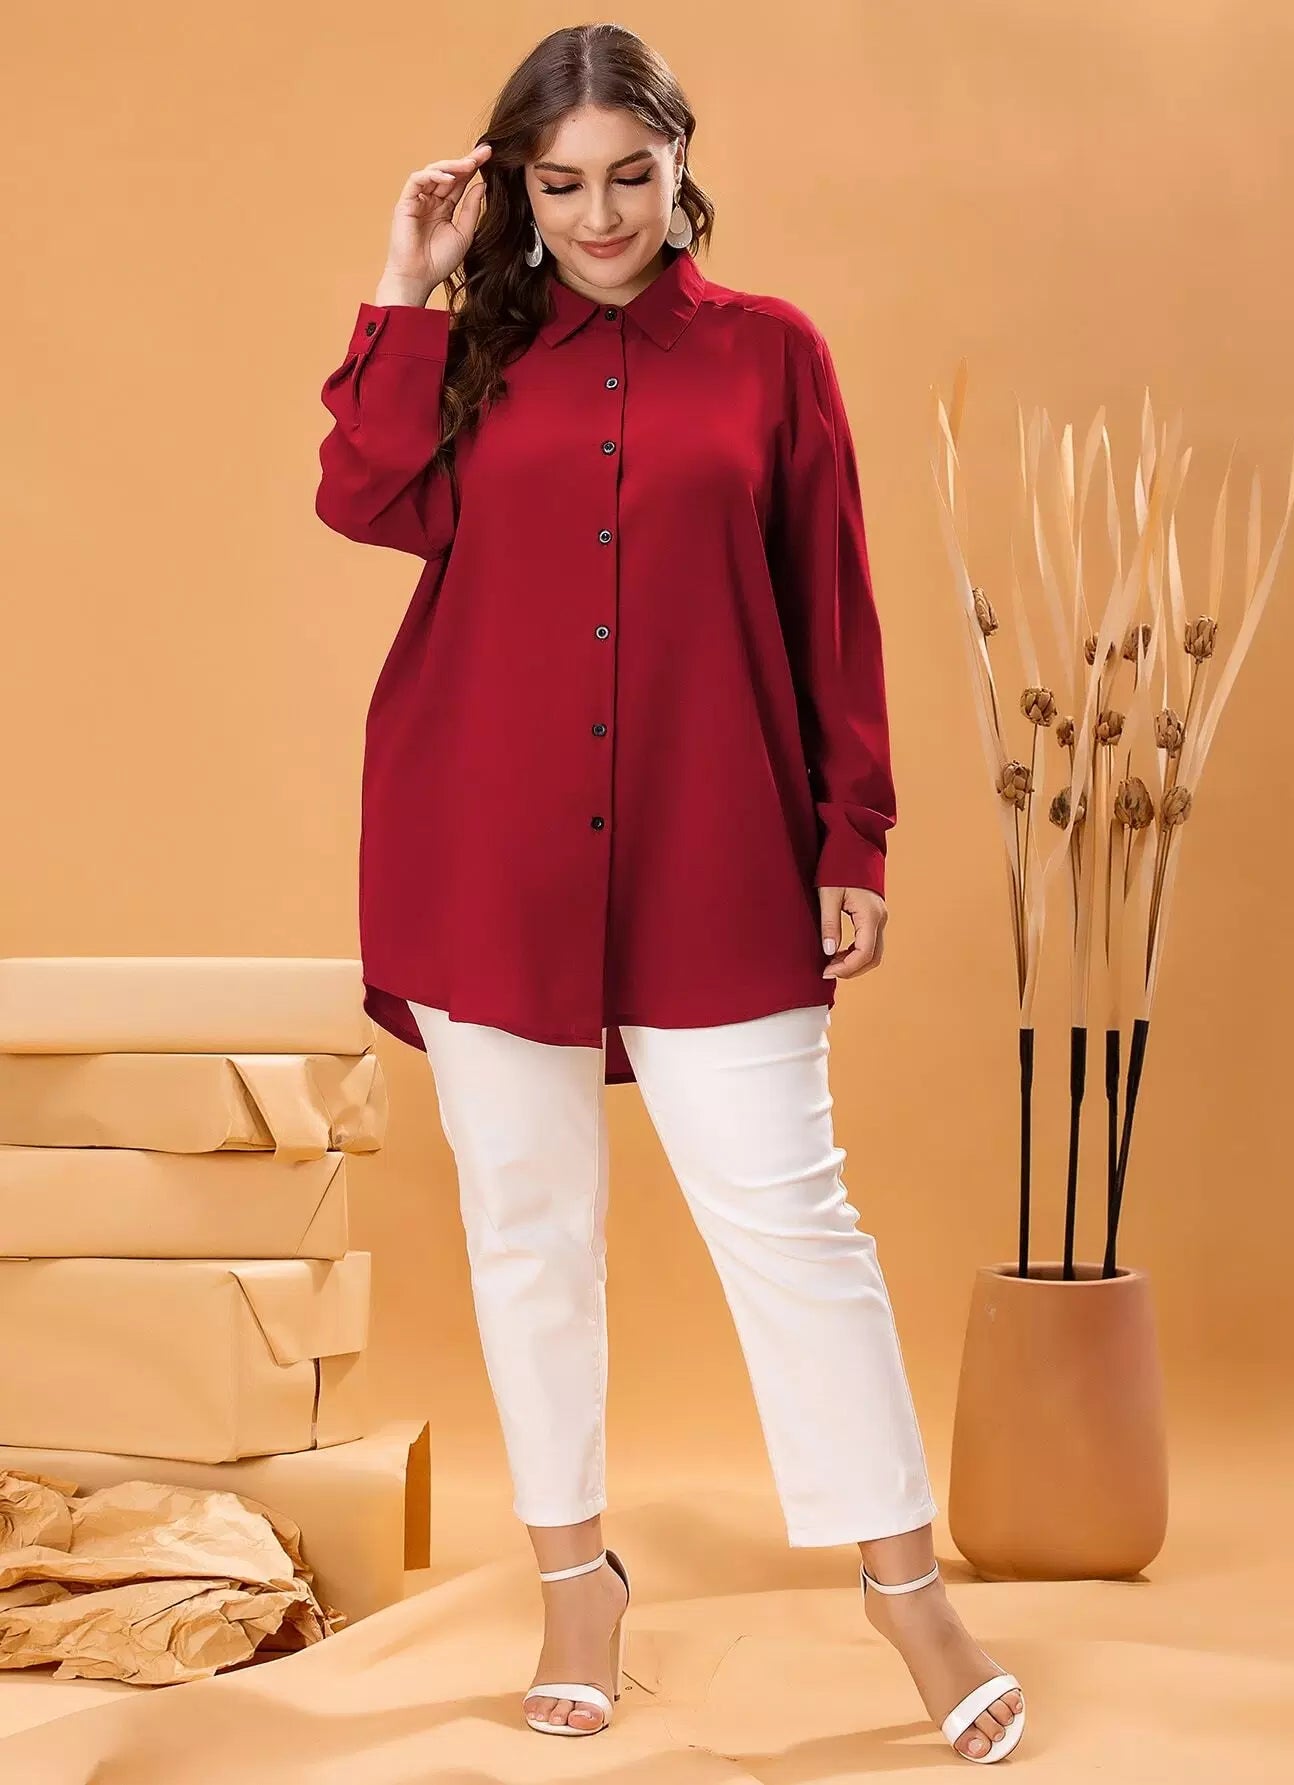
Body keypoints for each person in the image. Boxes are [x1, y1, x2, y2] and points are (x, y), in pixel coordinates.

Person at [315, 20, 1026, 1767]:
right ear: (518, 189)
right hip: (487, 849)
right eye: (561, 185)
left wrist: (854, 834)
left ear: (680, 161)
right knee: (528, 1228)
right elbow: (361, 498)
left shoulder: (772, 355)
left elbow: (832, 601)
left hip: (717, 845)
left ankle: (908, 1592)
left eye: (631, 175)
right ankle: (577, 1585)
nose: (601, 215)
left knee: (794, 1221)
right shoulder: (476, 353)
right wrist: (406, 283)